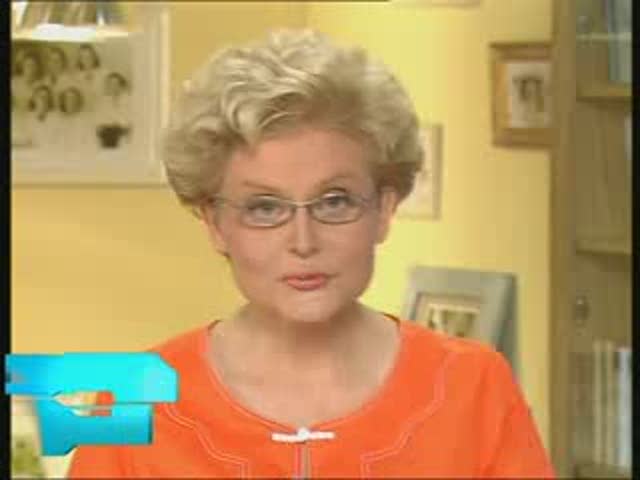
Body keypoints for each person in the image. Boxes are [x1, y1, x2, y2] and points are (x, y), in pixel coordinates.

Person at [68, 30, 555, 478]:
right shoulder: (128, 401)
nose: (303, 241)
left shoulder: (474, 386)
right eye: (264, 208)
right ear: (215, 223)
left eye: (334, 201)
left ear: (384, 209)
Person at [96, 72, 132, 148]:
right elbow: (101, 120)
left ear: (121, 86)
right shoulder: (104, 101)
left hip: (123, 132)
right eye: (110, 84)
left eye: (116, 84)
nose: (113, 87)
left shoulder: (128, 100)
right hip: (107, 133)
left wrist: (118, 124)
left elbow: (128, 119)